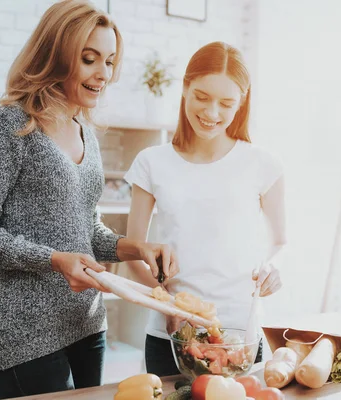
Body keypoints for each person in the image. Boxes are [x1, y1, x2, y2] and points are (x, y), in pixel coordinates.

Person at [0, 1, 177, 398]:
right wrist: (54, 260)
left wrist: (134, 248)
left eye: (109, 61)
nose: (103, 74)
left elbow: (84, 229)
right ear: (55, 55)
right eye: (89, 59)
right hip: (25, 337)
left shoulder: (84, 131)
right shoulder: (9, 126)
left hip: (87, 324)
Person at [123, 41, 287, 376]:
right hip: (170, 335)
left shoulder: (262, 164)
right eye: (201, 97)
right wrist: (167, 303)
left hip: (238, 334)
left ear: (241, 102)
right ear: (185, 88)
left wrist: (273, 266)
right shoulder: (152, 162)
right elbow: (131, 253)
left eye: (226, 103)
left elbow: (280, 241)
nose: (212, 113)